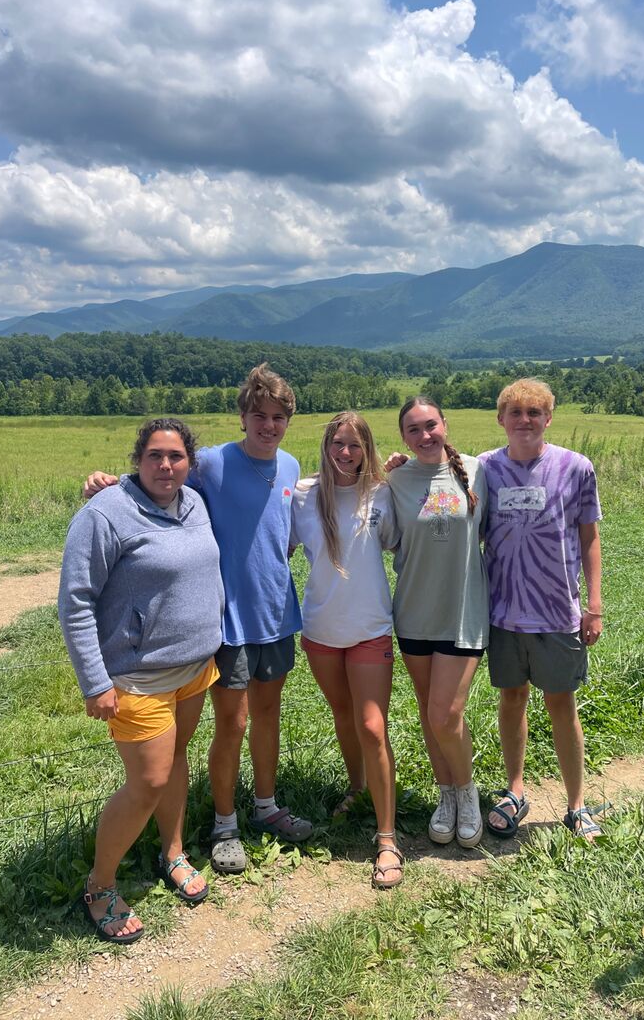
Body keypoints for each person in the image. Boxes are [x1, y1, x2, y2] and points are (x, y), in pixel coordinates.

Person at [83, 364, 312, 876]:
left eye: (278, 417)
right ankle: (225, 823)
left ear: (289, 421)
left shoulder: (293, 467)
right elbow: (162, 473)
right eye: (259, 415)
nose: (268, 425)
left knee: (269, 716)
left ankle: (266, 805)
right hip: (225, 621)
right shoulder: (212, 462)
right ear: (243, 416)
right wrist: (108, 483)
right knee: (232, 723)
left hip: (276, 613)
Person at [59, 419, 224, 944]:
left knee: (176, 761)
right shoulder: (105, 513)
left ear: (189, 462)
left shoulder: (194, 503)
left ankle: (172, 852)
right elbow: (76, 600)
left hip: (195, 668)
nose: (166, 466)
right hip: (136, 677)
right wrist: (94, 681)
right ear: (138, 458)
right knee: (148, 780)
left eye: (176, 456)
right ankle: (100, 885)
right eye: (155, 455)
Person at [479, 379, 604, 840]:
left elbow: (590, 537)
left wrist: (593, 605)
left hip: (557, 612)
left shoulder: (575, 468)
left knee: (561, 704)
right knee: (511, 699)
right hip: (503, 613)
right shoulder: (486, 469)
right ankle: (515, 792)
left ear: (549, 418)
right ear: (501, 419)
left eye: (535, 412)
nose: (525, 420)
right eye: (516, 412)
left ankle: (577, 804)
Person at [290, 412, 403, 889]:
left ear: (367, 449)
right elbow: (271, 541)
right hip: (319, 628)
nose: (345, 453)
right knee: (343, 715)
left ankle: (387, 837)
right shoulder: (300, 496)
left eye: (355, 445)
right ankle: (358, 789)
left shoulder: (382, 494)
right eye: (338, 443)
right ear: (326, 444)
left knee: (372, 726)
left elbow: (403, 542)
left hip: (371, 627)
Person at [387, 397, 489, 850]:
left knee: (447, 714)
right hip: (413, 613)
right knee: (430, 713)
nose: (424, 435)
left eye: (431, 425)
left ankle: (467, 793)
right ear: (403, 437)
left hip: (463, 613)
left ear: (446, 424)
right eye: (413, 429)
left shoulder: (480, 470)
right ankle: (444, 795)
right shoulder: (395, 478)